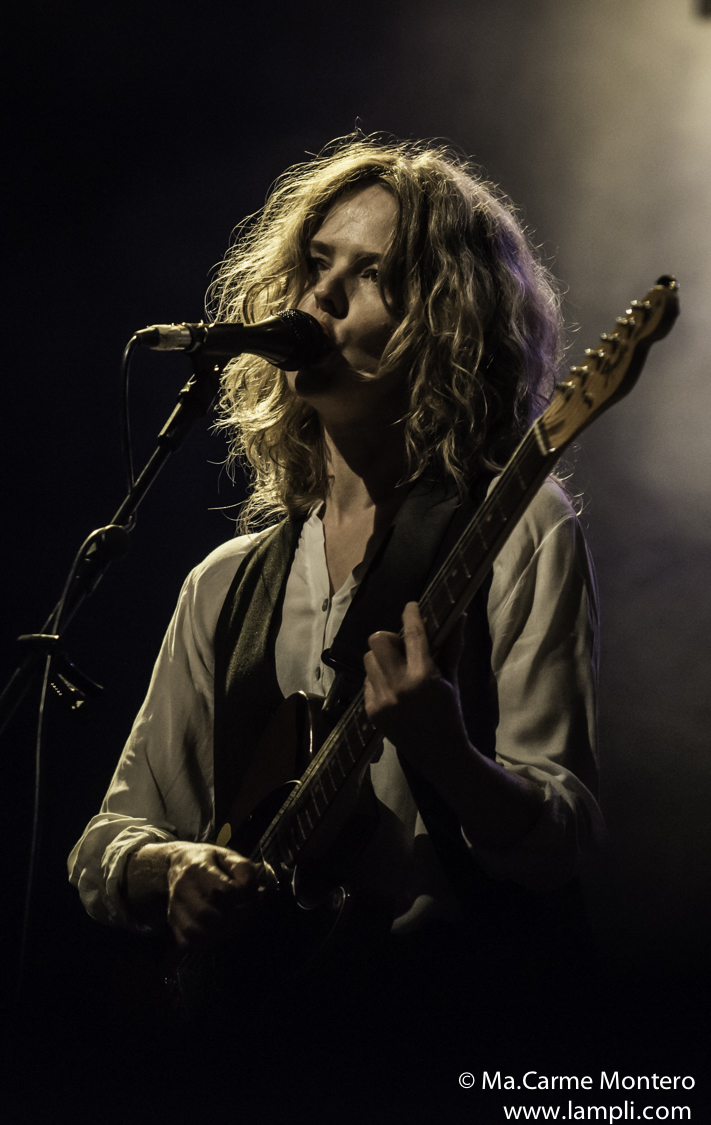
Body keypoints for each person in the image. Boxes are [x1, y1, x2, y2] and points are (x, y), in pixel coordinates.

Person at [68, 137, 603, 1068]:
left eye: (372, 274)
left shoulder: (519, 527)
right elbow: (105, 842)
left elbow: (563, 840)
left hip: (456, 1034)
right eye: (315, 264)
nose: (320, 297)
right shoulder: (225, 583)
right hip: (265, 1047)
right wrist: (174, 867)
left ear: (447, 323)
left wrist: (448, 752)